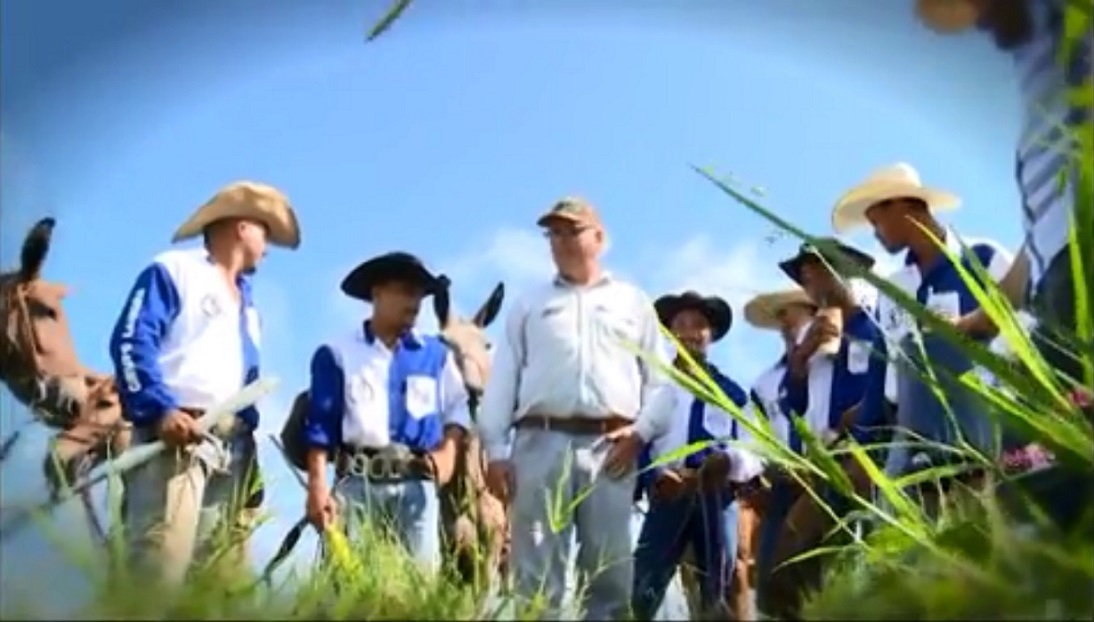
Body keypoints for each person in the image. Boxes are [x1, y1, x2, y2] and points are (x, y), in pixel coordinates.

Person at [913, 0, 1093, 532]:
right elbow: (1039, 240)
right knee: (1030, 459)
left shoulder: (1076, 38)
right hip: (1059, 278)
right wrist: (978, 322)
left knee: (1038, 460)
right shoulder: (1036, 76)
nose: (982, 22)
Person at [476, 197, 672, 620]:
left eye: (573, 231)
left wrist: (641, 433)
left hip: (610, 448)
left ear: (600, 238)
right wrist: (494, 451)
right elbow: (503, 378)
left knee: (609, 569)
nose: (562, 241)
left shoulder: (632, 302)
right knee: (535, 570)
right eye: (554, 233)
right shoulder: (530, 304)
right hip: (538, 442)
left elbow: (662, 383)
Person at [108, 181, 301, 587]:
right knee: (157, 569)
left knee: (218, 584)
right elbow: (131, 340)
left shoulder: (250, 310)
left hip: (232, 452)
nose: (268, 246)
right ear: (242, 226)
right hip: (177, 439)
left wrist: (250, 461)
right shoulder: (176, 270)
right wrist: (160, 410)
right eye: (265, 231)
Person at [830, 164, 1014, 478]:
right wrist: (860, 445)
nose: (875, 233)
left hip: (986, 415)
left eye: (876, 222)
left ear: (905, 206)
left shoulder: (983, 258)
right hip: (913, 432)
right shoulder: (893, 289)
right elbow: (881, 374)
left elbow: (1023, 334)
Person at [301, 252, 469, 574]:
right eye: (406, 291)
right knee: (349, 593)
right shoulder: (337, 353)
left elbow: (457, 408)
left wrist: (448, 452)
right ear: (377, 293)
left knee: (416, 591)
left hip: (417, 487)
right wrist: (318, 487)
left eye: (420, 294)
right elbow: (320, 427)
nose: (415, 302)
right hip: (356, 486)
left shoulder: (437, 356)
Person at [766, 239, 889, 619]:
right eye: (803, 276)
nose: (808, 280)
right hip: (826, 464)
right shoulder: (814, 344)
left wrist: (860, 417)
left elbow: (894, 389)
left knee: (858, 558)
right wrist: (801, 361)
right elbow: (793, 409)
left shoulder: (877, 326)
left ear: (845, 271)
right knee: (787, 565)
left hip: (872, 455)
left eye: (815, 269)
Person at [631, 291, 763, 620]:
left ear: (711, 334)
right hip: (669, 496)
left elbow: (755, 449)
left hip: (717, 498)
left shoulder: (732, 393)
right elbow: (641, 442)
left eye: (699, 325)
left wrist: (729, 462)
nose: (690, 332)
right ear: (670, 332)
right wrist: (654, 476)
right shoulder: (656, 388)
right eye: (682, 324)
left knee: (720, 586)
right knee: (643, 586)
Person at [741, 287, 818, 617]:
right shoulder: (764, 383)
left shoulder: (834, 364)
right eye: (782, 315)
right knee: (773, 576)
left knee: (827, 570)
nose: (787, 321)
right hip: (781, 487)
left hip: (828, 479)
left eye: (794, 312)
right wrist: (757, 484)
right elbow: (751, 439)